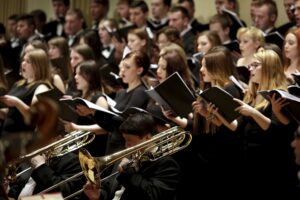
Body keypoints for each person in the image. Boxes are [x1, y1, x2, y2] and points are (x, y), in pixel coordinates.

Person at [83, 112, 181, 200]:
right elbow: (111, 190)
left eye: (129, 141)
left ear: (147, 137)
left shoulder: (166, 164)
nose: (126, 145)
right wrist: (99, 195)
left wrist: (129, 173)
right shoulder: (127, 156)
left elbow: (153, 195)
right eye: (125, 140)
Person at [0, 49, 52, 136]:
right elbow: (12, 114)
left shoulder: (42, 87)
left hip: (22, 139)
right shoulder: (18, 84)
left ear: (38, 66)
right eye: (23, 60)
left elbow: (36, 118)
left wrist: (16, 102)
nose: (23, 64)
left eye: (28, 62)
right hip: (7, 136)